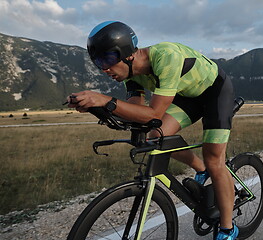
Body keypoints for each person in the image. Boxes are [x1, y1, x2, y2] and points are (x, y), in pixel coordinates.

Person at [68, 21, 238, 240]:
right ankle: (201, 169)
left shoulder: (165, 56)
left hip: (215, 92)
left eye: (107, 59)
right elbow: (137, 113)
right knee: (156, 135)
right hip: (187, 97)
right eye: (98, 62)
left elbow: (153, 114)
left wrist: (103, 99)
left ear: (127, 53)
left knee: (215, 160)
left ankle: (227, 229)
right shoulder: (130, 74)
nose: (104, 69)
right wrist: (99, 107)